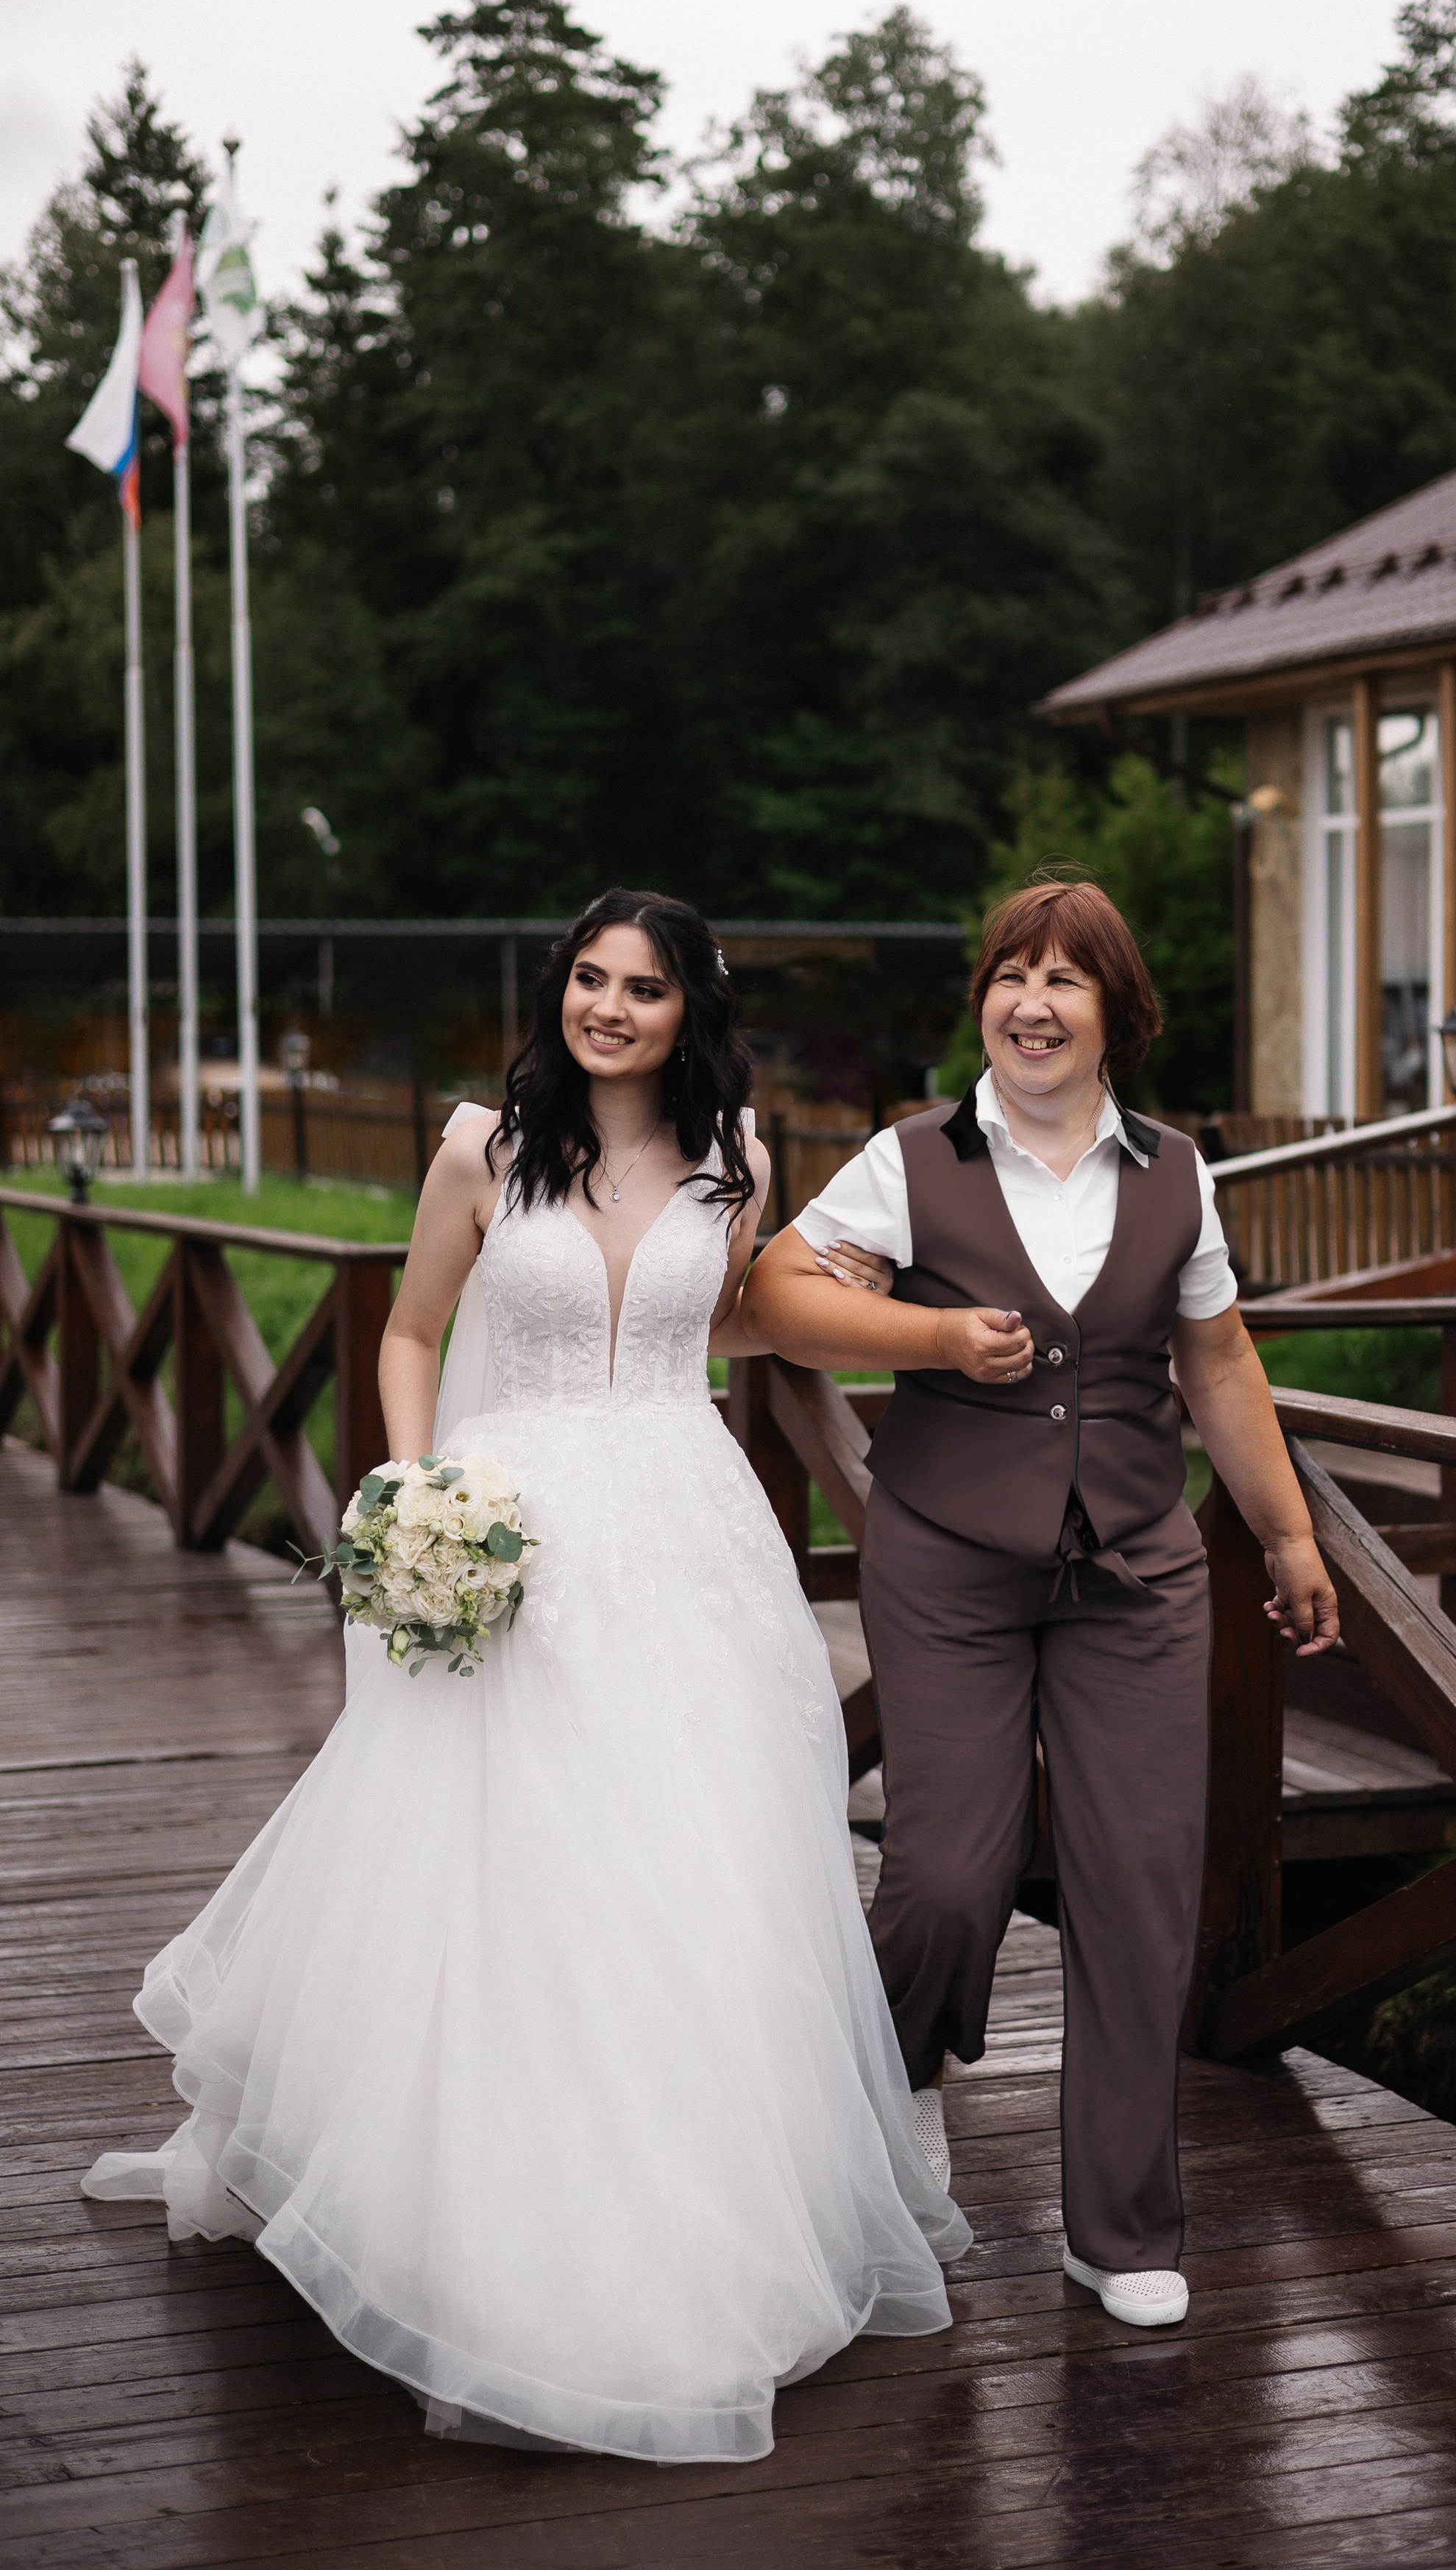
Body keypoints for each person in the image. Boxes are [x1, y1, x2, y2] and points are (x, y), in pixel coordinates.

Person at [81, 887, 968, 2463]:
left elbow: (757, 1322)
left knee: (699, 1867)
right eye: (585, 978)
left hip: (690, 1542)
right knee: (502, 1867)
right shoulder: (481, 1149)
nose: (606, 1008)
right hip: (514, 1537)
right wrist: (414, 1491)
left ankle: (694, 2213)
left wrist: (944, 1342)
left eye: (639, 987)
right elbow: (412, 1334)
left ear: (690, 1008)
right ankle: (477, 2223)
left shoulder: (740, 1159)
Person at [743, 877, 1340, 2332]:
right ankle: (885, 2101)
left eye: (1065, 980)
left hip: (1134, 1570)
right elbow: (778, 1297)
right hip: (945, 1555)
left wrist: (1286, 1532)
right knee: (948, 1875)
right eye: (1011, 974)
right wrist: (930, 1333)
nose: (1031, 1001)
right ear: (983, 1006)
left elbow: (1217, 1366)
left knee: (1138, 1893)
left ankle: (1119, 2226)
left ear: (1112, 1014)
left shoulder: (1177, 1176)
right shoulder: (912, 1159)